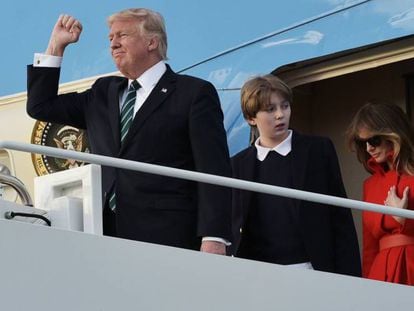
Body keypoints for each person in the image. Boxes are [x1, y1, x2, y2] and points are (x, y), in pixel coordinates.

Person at [26, 8, 232, 254]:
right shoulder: (103, 92)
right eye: (110, 38)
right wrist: (56, 47)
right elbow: (41, 106)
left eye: (122, 35)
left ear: (152, 42)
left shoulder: (193, 94)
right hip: (103, 235)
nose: (113, 44)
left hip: (168, 235)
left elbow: (213, 169)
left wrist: (214, 236)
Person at [231, 74, 361, 276]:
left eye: (285, 106)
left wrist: (351, 279)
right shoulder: (238, 164)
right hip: (258, 275)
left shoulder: (318, 150)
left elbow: (340, 216)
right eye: (270, 109)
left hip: (314, 270)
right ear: (250, 118)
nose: (280, 115)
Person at [347, 102, 414, 285]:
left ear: (393, 134)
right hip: (381, 273)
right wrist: (367, 285)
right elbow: (369, 248)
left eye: (374, 140)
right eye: (363, 142)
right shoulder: (370, 185)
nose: (369, 148)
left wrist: (404, 219)